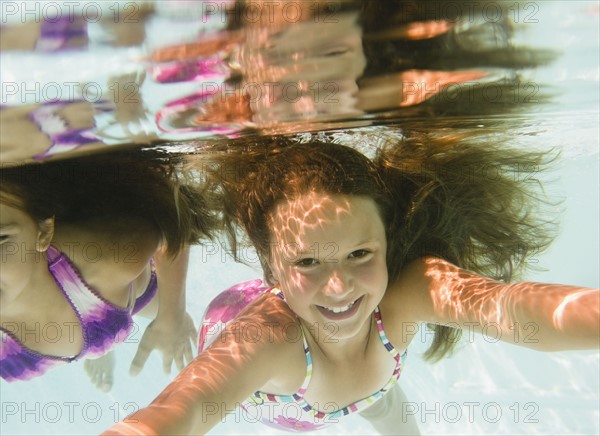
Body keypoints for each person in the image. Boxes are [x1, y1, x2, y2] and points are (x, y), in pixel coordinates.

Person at [103, 134, 599, 434]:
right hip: (240, 326)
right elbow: (179, 413)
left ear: (388, 243)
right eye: (308, 261)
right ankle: (112, 334)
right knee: (146, 309)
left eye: (360, 254)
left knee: (387, 410)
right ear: (272, 270)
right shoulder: (264, 341)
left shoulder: (406, 293)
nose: (339, 286)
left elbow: (512, 309)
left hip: (368, 383)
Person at [0, 149, 215, 391]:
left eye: (1, 240)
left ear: (43, 232)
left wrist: (172, 316)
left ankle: (102, 339)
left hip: (116, 297)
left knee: (159, 305)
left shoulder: (108, 259)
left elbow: (173, 218)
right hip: (32, 346)